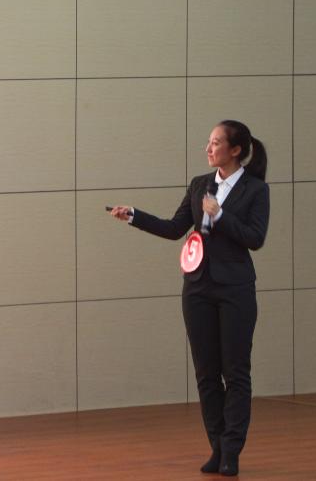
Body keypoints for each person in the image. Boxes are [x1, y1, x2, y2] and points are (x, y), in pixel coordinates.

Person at [108, 120, 269, 477]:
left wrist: (220, 215)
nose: (208, 148)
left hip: (235, 288)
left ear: (235, 150)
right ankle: (217, 446)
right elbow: (173, 228)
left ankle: (232, 450)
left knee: (235, 372)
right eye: (208, 142)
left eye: (215, 143)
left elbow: (255, 238)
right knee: (206, 373)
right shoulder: (199, 184)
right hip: (197, 287)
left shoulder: (256, 189)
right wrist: (134, 215)